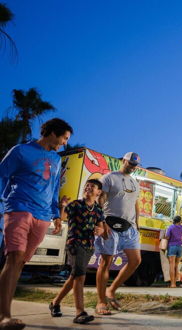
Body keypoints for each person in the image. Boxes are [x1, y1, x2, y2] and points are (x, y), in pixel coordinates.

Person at [0, 118, 72, 330]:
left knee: (21, 262)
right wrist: (6, 201)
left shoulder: (56, 159)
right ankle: (4, 316)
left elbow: (53, 188)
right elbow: (2, 175)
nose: (65, 143)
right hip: (19, 209)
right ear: (52, 133)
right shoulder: (20, 151)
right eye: (64, 138)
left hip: (42, 216)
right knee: (13, 258)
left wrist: (56, 214)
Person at [49, 179, 105, 324]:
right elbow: (62, 217)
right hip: (75, 243)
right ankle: (80, 312)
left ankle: (55, 303)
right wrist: (62, 206)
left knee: (74, 276)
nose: (88, 188)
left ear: (98, 192)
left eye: (92, 186)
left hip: (89, 246)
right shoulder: (75, 204)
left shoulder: (98, 210)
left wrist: (100, 230)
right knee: (80, 276)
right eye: (86, 186)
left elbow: (101, 228)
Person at [94, 152, 142, 315]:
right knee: (105, 262)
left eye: (135, 165)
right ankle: (101, 302)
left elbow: (135, 204)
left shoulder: (135, 183)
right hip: (110, 224)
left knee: (135, 261)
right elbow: (99, 200)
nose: (132, 167)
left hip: (130, 228)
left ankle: (111, 290)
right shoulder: (109, 178)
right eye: (130, 163)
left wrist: (137, 225)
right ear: (124, 161)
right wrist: (101, 222)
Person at [165, 215, 182, 288]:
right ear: (179, 221)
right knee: (176, 265)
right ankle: (175, 282)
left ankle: (173, 284)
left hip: (172, 246)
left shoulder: (171, 227)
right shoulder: (181, 227)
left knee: (172, 265)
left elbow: (167, 237)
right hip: (180, 247)